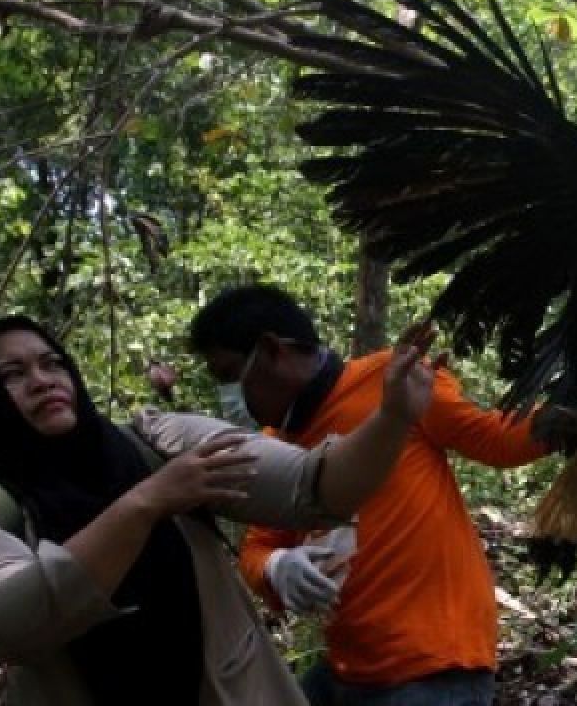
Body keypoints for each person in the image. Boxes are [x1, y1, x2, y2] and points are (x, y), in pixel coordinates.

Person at [0, 314, 439, 705]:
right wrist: (146, 504)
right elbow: (11, 622)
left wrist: (390, 418)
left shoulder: (158, 444)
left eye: (52, 363)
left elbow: (316, 487)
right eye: (13, 375)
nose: (42, 380)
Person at [188, 284, 555, 706]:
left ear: (273, 351)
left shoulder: (394, 380)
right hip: (348, 668)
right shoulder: (274, 444)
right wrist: (276, 567)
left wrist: (575, 413)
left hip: (435, 665)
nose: (227, 396)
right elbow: (257, 547)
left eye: (228, 375)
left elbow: (496, 439)